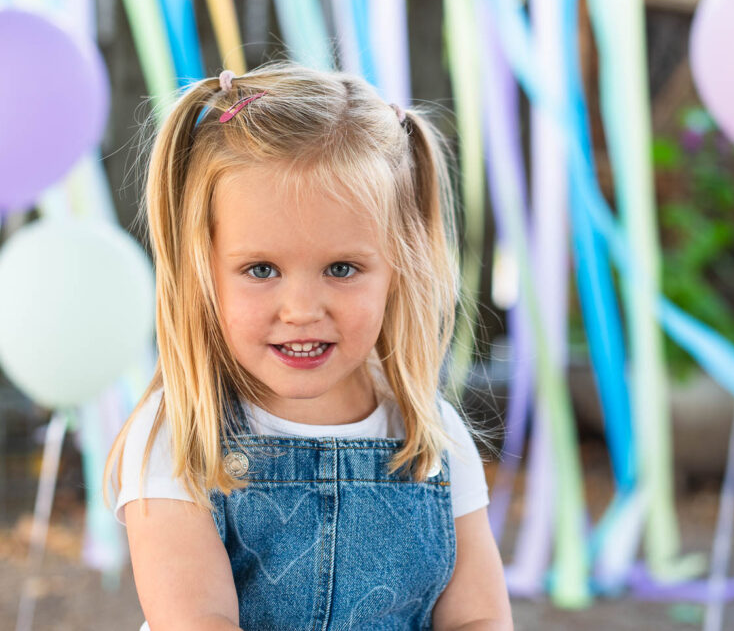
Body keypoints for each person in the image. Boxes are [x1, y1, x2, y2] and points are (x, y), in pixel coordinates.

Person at [103, 62, 512, 630]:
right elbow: (199, 620)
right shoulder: (180, 436)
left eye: (341, 268)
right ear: (203, 271)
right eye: (261, 269)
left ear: (399, 267)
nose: (301, 310)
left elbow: (478, 619)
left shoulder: (429, 437)